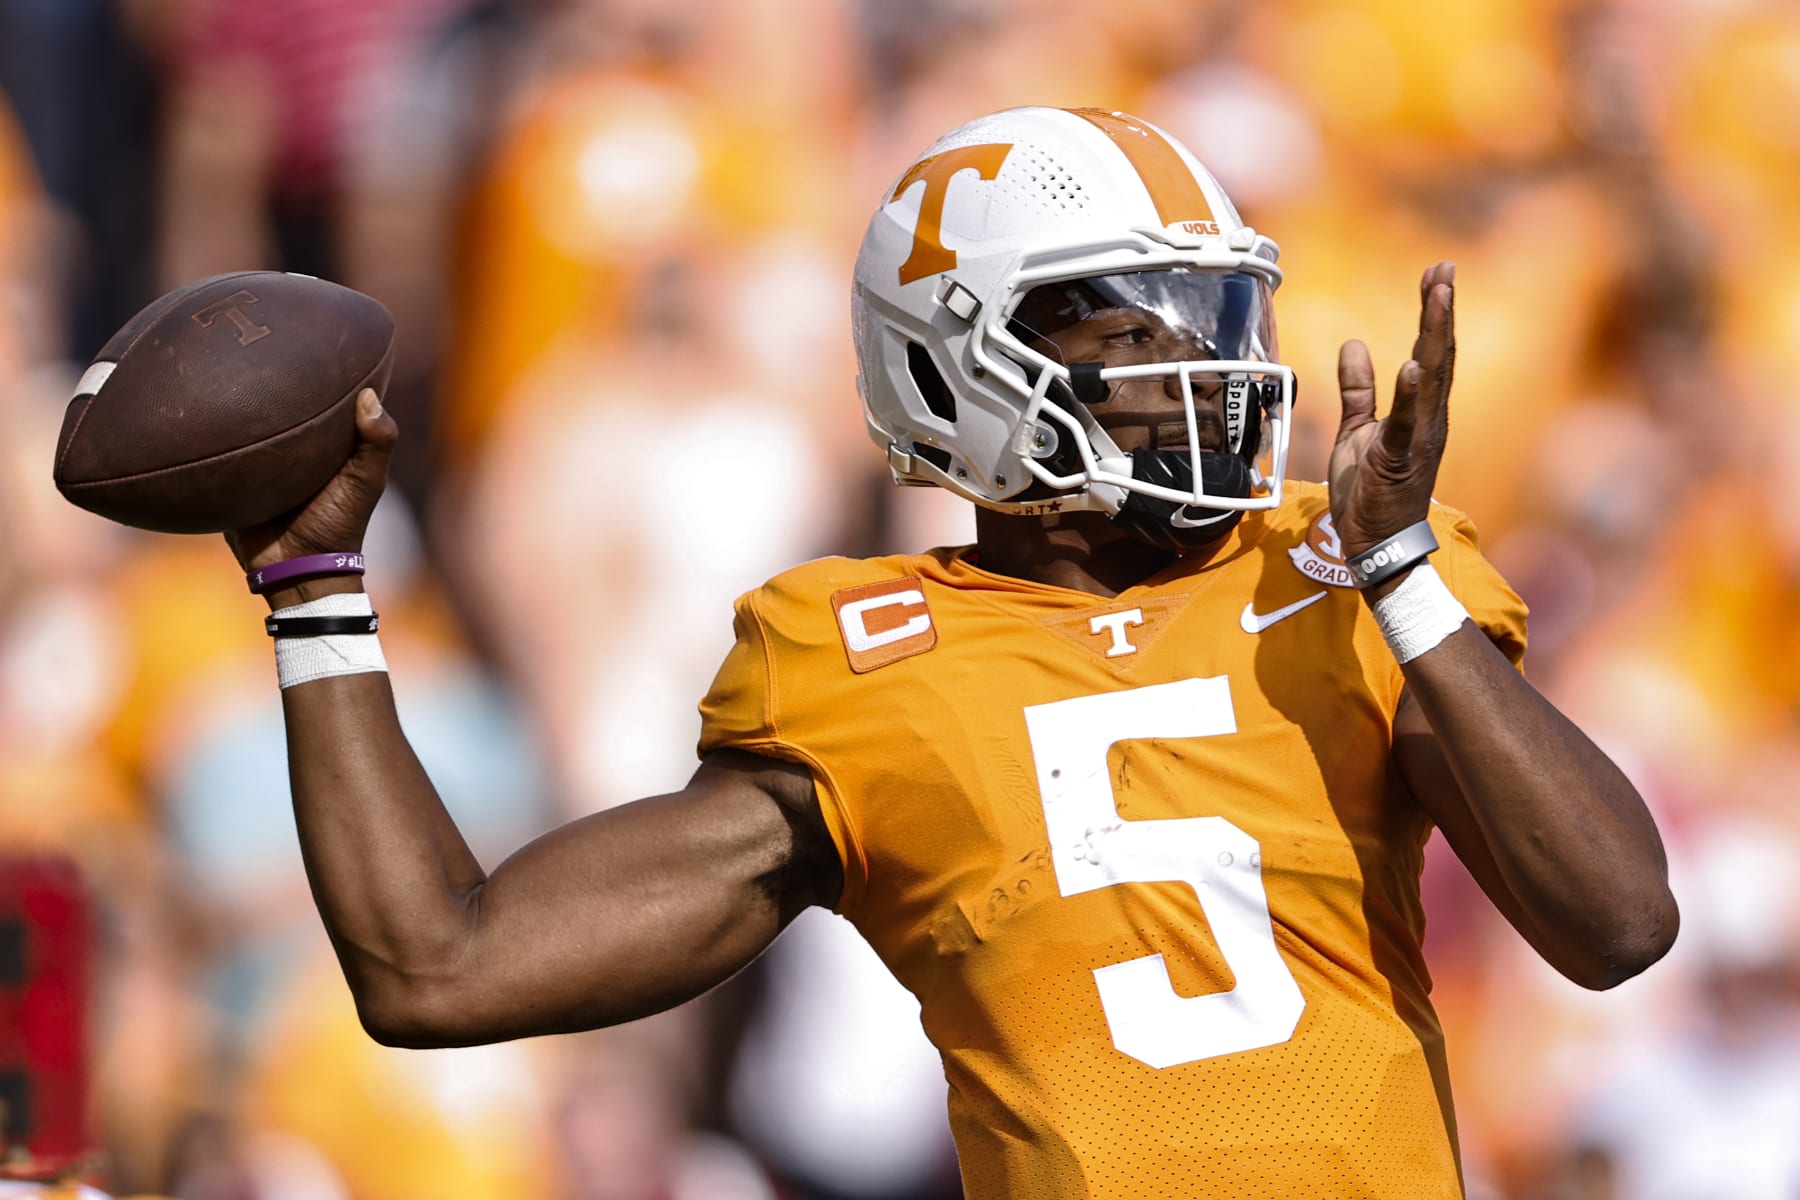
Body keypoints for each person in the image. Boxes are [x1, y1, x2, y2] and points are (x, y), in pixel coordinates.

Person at [220, 106, 1677, 1198]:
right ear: (950, 360)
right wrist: (314, 586)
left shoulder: (1345, 568)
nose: (1206, 367)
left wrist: (1402, 574)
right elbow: (439, 970)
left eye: (1219, 316)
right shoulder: (862, 665)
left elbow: (1618, 921)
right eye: (1135, 332)